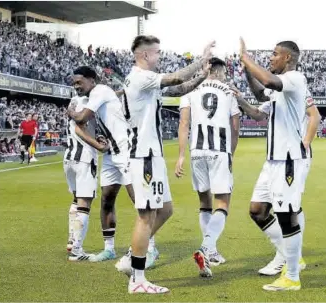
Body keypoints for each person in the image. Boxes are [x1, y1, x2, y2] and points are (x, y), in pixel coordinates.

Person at [115, 35, 214, 294]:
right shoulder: (140, 77)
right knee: (146, 216)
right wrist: (203, 60)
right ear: (145, 55)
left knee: (165, 210)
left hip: (152, 155)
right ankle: (137, 278)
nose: (161, 56)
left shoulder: (148, 82)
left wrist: (203, 77)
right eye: (158, 52)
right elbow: (176, 78)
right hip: (144, 154)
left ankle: (132, 256)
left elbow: (178, 89)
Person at [239, 37, 316, 291]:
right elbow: (260, 104)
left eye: (274, 54)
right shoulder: (278, 88)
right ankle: (290, 256)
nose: (270, 58)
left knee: (287, 215)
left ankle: (292, 275)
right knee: (257, 210)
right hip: (272, 161)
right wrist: (244, 84)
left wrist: (247, 59)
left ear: (287, 58)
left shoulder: (295, 79)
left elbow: (270, 81)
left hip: (288, 160)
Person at [175, 57, 240, 277]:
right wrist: (230, 153)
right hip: (219, 150)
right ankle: (206, 247)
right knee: (223, 202)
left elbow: (184, 123)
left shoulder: (191, 90)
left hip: (196, 151)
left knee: (204, 202)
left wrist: (181, 156)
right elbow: (235, 128)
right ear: (220, 71)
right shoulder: (229, 91)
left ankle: (211, 252)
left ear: (206, 69)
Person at [67, 66, 134, 263]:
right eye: (74, 83)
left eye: (79, 82)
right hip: (111, 154)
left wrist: (71, 110)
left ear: (91, 80)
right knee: (106, 200)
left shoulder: (100, 91)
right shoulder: (95, 96)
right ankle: (109, 249)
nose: (76, 86)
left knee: (136, 198)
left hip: (125, 149)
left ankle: (150, 247)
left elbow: (80, 118)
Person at [64, 94, 109, 260]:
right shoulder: (86, 102)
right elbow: (79, 127)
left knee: (76, 200)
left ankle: (71, 240)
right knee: (84, 203)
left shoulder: (74, 100)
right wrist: (99, 146)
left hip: (69, 157)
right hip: (84, 158)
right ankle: (77, 249)